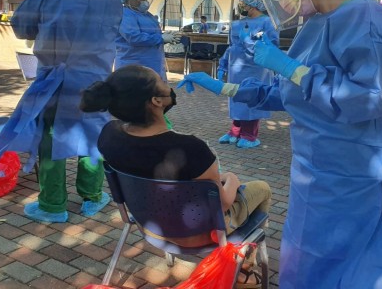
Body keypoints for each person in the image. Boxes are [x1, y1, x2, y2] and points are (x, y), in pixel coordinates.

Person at [178, 0, 382, 288]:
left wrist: (288, 66)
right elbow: (294, 93)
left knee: (346, 260)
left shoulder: (374, 22)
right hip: (311, 165)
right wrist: (225, 88)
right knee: (306, 252)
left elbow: (366, 99)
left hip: (352, 169)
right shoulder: (315, 23)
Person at [80, 65, 271, 288]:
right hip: (200, 234)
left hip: (148, 225)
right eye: (162, 81)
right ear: (156, 101)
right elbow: (224, 202)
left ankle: (239, 265)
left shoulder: (109, 135)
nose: (168, 85)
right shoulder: (191, 148)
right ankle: (242, 267)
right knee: (262, 188)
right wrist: (232, 179)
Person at [0, 0, 123, 223]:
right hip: (97, 79)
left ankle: (52, 205)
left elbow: (22, 28)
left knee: (51, 139)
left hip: (57, 80)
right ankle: (93, 197)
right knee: (94, 138)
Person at [216, 0, 278, 148]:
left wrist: (249, 41)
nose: (241, 7)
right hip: (236, 68)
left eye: (244, 4)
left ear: (254, 4)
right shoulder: (236, 24)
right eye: (240, 4)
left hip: (256, 70)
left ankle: (249, 135)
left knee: (251, 99)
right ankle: (235, 131)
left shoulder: (267, 23)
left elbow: (271, 48)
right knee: (236, 97)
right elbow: (231, 47)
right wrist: (223, 64)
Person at [115, 0, 181, 79]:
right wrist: (160, 38)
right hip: (132, 64)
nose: (145, 2)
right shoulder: (125, 14)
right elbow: (134, 38)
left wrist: (165, 37)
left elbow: (152, 35)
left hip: (152, 65)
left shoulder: (147, 15)